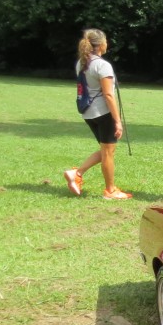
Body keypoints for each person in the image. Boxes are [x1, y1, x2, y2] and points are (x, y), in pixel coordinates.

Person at [63, 28, 132, 199]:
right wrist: (117, 121)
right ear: (101, 44)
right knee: (108, 152)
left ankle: (76, 174)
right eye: (106, 40)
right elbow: (108, 95)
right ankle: (110, 190)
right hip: (103, 113)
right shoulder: (102, 65)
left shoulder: (81, 63)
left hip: (89, 113)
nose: (107, 43)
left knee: (106, 150)